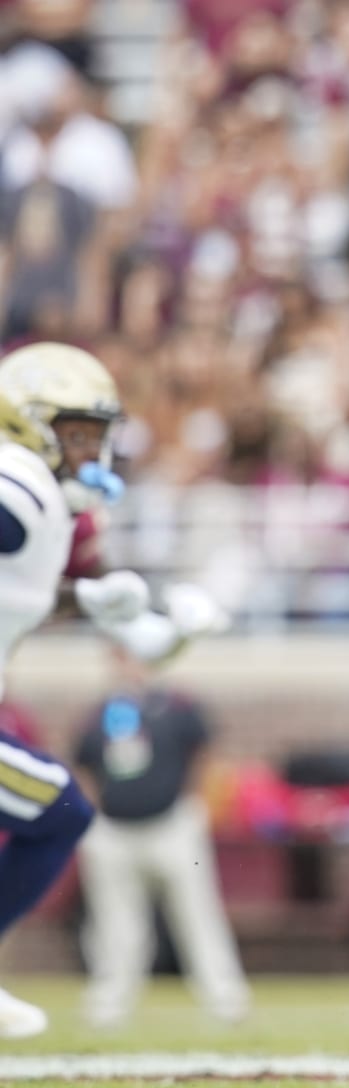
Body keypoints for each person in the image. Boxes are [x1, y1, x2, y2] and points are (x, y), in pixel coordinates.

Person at [0, 341, 177, 1037]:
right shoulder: (22, 482)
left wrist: (92, 603)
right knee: (60, 808)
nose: (90, 454)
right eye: (76, 436)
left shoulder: (40, 502)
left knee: (57, 808)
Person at [73, 643, 250, 1028]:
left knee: (196, 914)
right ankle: (110, 1001)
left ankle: (224, 997)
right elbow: (84, 764)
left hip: (171, 824)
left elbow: (205, 751)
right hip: (115, 829)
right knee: (116, 923)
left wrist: (195, 804)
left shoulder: (177, 705)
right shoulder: (101, 713)